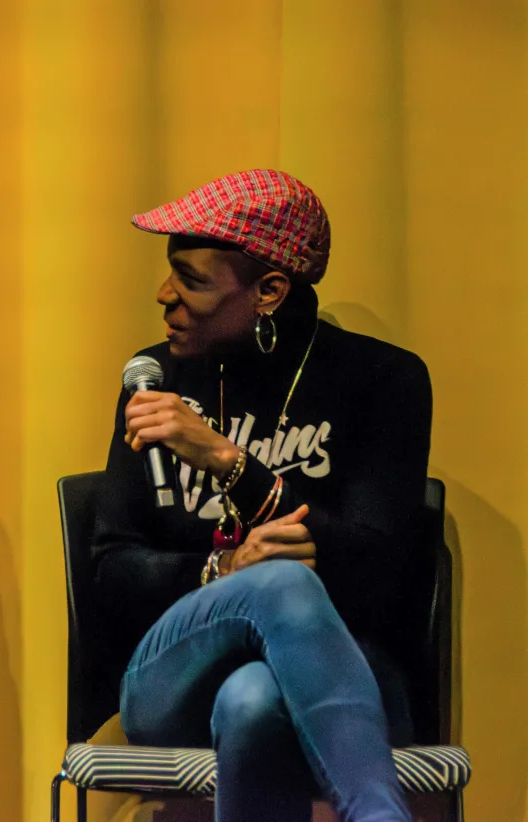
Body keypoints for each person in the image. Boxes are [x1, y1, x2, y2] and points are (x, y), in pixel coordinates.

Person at [92, 169, 431, 822]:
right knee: (280, 582)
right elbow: (107, 572)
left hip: (343, 667)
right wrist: (225, 573)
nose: (164, 296)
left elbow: (381, 579)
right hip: (171, 680)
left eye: (191, 279)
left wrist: (228, 462)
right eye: (171, 273)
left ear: (269, 290)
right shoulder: (154, 383)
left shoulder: (382, 382)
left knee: (251, 701)